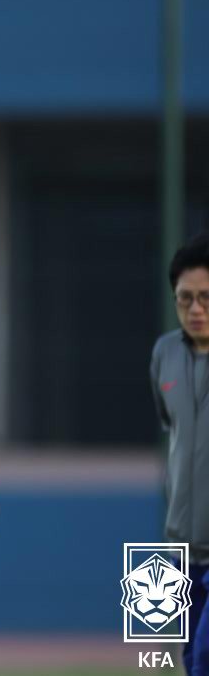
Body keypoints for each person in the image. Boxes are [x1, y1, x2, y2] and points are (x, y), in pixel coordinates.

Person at [150, 233, 209, 675]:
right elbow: (172, 431)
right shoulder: (163, 354)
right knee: (190, 661)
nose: (195, 310)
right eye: (184, 298)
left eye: (206, 298)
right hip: (181, 548)